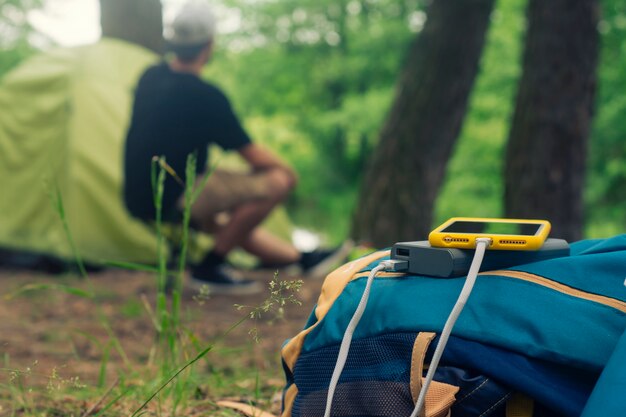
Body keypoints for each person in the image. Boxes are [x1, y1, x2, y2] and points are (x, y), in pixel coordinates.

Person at [123, 2, 350, 295]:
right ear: (209, 44)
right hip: (178, 192)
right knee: (276, 182)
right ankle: (210, 267)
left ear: (174, 43)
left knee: (229, 223)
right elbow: (252, 153)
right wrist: (288, 172)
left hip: (137, 195)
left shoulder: (149, 77)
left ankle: (302, 259)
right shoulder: (205, 95)